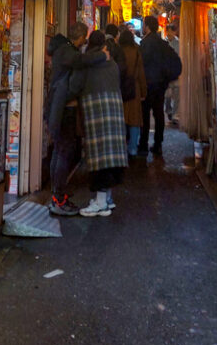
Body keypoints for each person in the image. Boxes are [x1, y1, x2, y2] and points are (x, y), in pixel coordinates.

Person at [68, 30, 128, 216]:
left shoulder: (86, 63)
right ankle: (107, 199)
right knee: (110, 156)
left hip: (95, 112)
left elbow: (74, 86)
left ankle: (101, 202)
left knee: (99, 156)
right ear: (103, 45)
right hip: (115, 111)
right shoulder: (112, 64)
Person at [46, 21, 101, 216]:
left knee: (59, 151)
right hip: (64, 109)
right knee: (63, 151)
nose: (84, 41)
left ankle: (56, 195)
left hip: (57, 107)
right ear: (80, 37)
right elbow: (80, 65)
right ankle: (58, 199)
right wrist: (102, 56)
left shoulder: (62, 50)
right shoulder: (68, 52)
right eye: (84, 37)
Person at [138, 14, 182, 157]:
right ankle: (158, 144)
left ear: (148, 26)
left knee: (145, 115)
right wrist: (167, 78)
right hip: (160, 85)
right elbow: (176, 61)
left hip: (147, 85)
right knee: (159, 114)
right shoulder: (163, 44)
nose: (143, 27)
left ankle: (143, 145)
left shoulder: (144, 44)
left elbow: (141, 65)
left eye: (144, 24)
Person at [118, 23, 147, 156]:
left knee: (121, 118)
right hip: (134, 88)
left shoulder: (117, 51)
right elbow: (141, 73)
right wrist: (143, 91)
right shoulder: (137, 51)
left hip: (119, 87)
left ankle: (120, 148)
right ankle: (133, 148)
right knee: (134, 120)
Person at [164, 21, 180, 124]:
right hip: (166, 74)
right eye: (168, 32)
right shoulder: (163, 43)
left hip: (176, 73)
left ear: (175, 32)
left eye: (171, 32)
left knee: (177, 93)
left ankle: (175, 114)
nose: (169, 34)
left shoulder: (179, 43)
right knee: (167, 95)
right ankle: (169, 110)